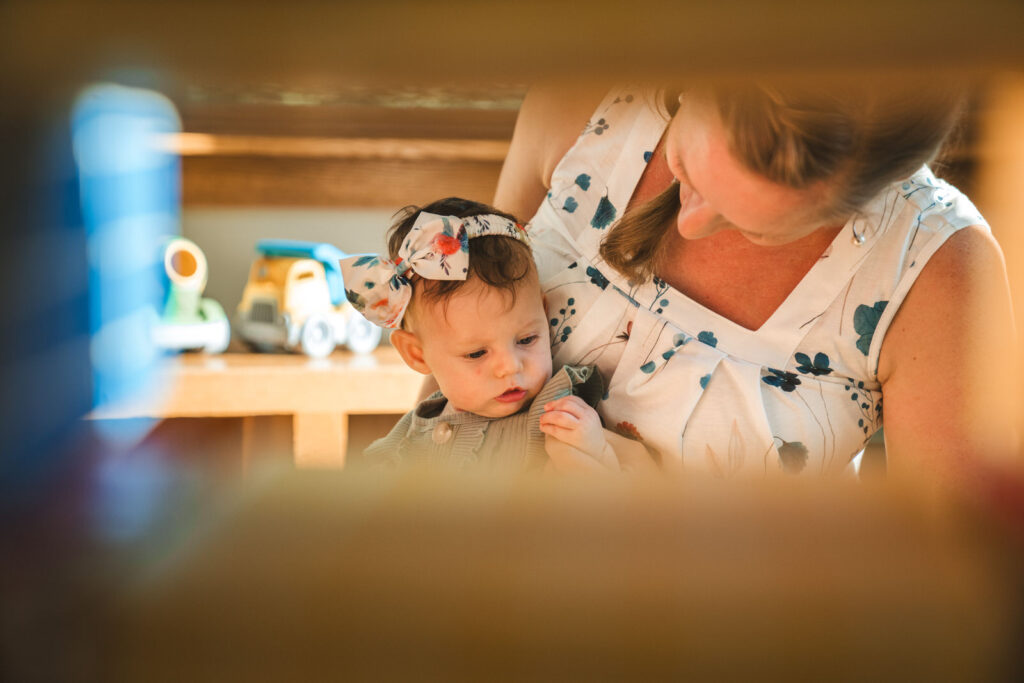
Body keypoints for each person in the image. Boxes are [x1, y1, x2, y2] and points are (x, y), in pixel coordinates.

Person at [493, 80, 1017, 482]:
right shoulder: (585, 100)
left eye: (755, 229)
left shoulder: (934, 266)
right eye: (688, 168)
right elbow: (448, 329)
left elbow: (943, 567)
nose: (688, 226)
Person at [341, 197, 649, 472]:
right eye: (477, 353)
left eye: (527, 340)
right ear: (417, 353)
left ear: (543, 314)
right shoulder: (413, 431)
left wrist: (598, 451)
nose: (510, 366)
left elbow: (641, 484)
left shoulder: (554, 413)